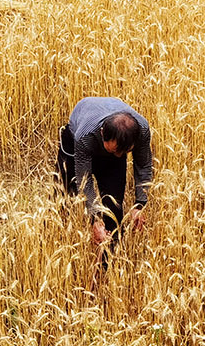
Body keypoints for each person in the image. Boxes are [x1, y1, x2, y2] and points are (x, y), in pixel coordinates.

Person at [56, 97, 153, 249]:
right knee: (68, 197)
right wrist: (94, 217)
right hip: (75, 143)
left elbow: (144, 165)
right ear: (102, 133)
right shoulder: (84, 135)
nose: (119, 156)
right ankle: (63, 241)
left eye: (125, 152)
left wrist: (140, 204)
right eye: (115, 150)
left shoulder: (141, 130)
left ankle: (108, 261)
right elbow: (84, 179)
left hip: (112, 143)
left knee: (114, 209)